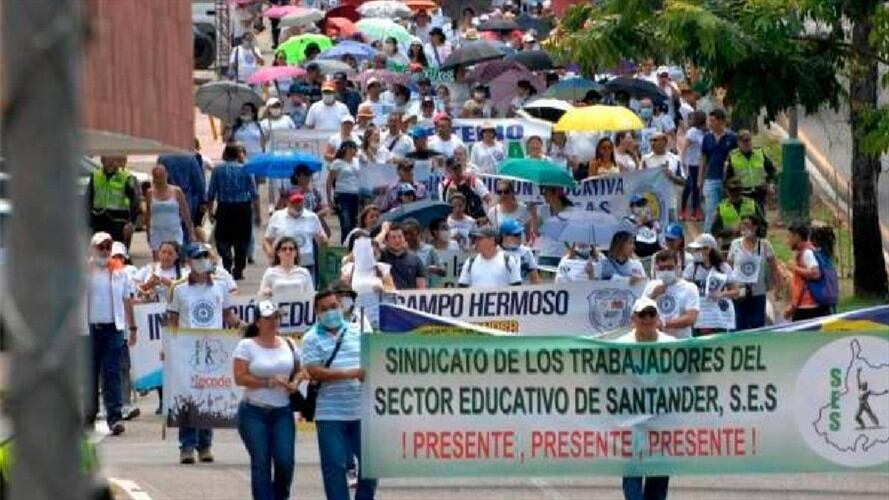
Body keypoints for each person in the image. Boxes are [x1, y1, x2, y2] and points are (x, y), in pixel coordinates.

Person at [167, 243, 241, 464]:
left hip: (214, 347)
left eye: (204, 257)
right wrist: (169, 348)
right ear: (188, 262)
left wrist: (247, 329)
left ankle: (205, 444)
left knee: (209, 395)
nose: (202, 261)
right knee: (189, 397)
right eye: (197, 257)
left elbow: (229, 316)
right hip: (188, 349)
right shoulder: (178, 288)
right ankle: (187, 446)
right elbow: (172, 321)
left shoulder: (220, 286)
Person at [301, 289, 377, 500]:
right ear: (317, 313)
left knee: (371, 466)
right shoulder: (311, 338)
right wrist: (349, 373)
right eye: (324, 309)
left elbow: (374, 359)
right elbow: (314, 371)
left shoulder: (358, 331)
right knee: (335, 466)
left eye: (333, 307)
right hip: (330, 414)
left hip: (362, 411)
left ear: (341, 307)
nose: (330, 312)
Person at [233, 300, 301, 500]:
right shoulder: (247, 346)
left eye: (276, 318)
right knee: (261, 461)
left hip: (282, 411)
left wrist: (295, 383)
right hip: (254, 412)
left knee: (285, 461)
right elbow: (240, 377)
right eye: (267, 318)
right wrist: (268, 382)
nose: (273, 322)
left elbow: (299, 371)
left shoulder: (289, 343)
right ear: (257, 322)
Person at [614, 297, 672, 500]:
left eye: (651, 314)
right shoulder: (620, 346)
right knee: (632, 475)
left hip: (662, 421)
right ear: (633, 318)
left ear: (658, 318)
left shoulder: (672, 345)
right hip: (631, 421)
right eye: (642, 314)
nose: (647, 318)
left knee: (658, 481)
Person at [85, 232, 138, 436]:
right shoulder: (83, 271)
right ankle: (89, 414)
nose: (105, 251)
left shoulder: (119, 273)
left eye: (108, 247)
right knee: (90, 374)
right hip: (89, 329)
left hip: (112, 328)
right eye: (101, 247)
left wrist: (132, 327)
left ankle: (114, 417)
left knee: (112, 373)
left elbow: (127, 300)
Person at [207, 142, 261, 280]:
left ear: (224, 155)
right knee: (242, 240)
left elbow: (211, 193)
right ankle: (239, 268)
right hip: (243, 209)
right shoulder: (246, 169)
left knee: (223, 239)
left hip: (224, 208)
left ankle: (227, 261)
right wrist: (258, 213)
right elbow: (254, 194)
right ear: (238, 155)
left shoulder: (217, 170)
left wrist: (209, 211)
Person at [727, 215, 779, 330]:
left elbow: (774, 268)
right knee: (739, 323)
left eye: (747, 225)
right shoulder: (735, 244)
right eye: (742, 225)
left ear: (755, 227)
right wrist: (728, 289)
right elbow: (729, 268)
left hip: (758, 291)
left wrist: (777, 289)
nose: (744, 228)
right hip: (739, 291)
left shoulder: (765, 245)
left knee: (757, 324)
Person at [265, 193, 328, 281]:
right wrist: (271, 253)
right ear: (287, 203)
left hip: (306, 263)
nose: (297, 205)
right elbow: (267, 240)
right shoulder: (277, 216)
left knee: (307, 292)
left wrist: (323, 240)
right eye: (294, 202)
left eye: (300, 202)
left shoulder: (312, 217)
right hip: (283, 264)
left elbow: (321, 238)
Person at [684, 233, 738, 335]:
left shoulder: (724, 268)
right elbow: (685, 290)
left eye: (698, 249)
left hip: (719, 317)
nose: (695, 253)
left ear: (708, 250)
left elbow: (736, 292)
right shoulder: (691, 269)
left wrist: (721, 294)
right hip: (700, 315)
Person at [87, 156, 141, 250]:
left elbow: (135, 201)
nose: (110, 161)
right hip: (98, 219)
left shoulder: (126, 177)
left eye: (112, 157)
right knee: (99, 251)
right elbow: (89, 199)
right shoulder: (96, 175)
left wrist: (131, 223)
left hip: (118, 221)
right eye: (107, 157)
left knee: (118, 251)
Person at [643, 249, 700, 339]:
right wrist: (652, 296)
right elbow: (639, 313)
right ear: (657, 268)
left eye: (670, 268)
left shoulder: (689, 287)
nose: (666, 271)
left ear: (677, 267)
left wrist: (664, 324)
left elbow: (691, 318)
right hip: (655, 342)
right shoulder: (651, 286)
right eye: (662, 268)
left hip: (680, 342)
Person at [700, 108, 738, 231]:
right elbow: (703, 158)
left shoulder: (732, 138)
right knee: (711, 212)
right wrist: (700, 180)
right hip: (711, 178)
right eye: (709, 121)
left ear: (721, 121)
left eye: (713, 121)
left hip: (728, 181)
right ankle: (708, 240)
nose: (710, 123)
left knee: (728, 212)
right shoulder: (707, 138)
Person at [146, 165, 196, 256]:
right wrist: (148, 233)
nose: (159, 180)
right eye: (156, 177)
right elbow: (148, 215)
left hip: (173, 231)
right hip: (156, 232)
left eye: (161, 176)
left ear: (166, 175)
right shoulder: (150, 193)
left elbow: (185, 212)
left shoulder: (176, 191)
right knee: (158, 261)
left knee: (175, 258)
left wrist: (191, 231)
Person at [785, 223, 831, 321]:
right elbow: (801, 284)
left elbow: (816, 273)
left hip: (809, 308)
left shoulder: (807, 253)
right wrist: (793, 306)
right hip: (805, 305)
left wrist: (794, 268)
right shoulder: (805, 252)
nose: (787, 241)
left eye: (789, 237)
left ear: (797, 237)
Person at [157, 154, 207, 240]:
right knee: (186, 229)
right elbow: (199, 183)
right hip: (187, 200)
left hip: (167, 199)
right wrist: (203, 201)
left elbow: (158, 180)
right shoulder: (191, 159)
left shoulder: (162, 158)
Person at [260, 97, 298, 212]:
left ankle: (287, 202)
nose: (276, 109)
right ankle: (272, 203)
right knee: (273, 180)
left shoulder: (287, 119)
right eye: (273, 107)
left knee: (287, 179)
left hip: (287, 153)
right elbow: (262, 140)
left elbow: (294, 133)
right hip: (272, 153)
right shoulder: (264, 123)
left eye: (277, 106)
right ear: (269, 109)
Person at [725, 129, 777, 211]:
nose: (748, 143)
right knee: (745, 220)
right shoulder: (732, 156)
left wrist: (770, 183)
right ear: (738, 143)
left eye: (749, 140)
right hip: (742, 194)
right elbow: (727, 177)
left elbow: (771, 170)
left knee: (759, 218)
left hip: (758, 193)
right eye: (745, 141)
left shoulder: (759, 153)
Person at [458, 227, 522, 288]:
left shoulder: (508, 260)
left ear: (492, 240)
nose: (476, 242)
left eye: (480, 239)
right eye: (475, 239)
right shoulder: (470, 261)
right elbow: (462, 286)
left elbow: (517, 288)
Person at [711, 177, 764, 250]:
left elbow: (763, 226)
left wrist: (752, 230)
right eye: (732, 191)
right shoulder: (721, 208)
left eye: (737, 190)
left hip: (751, 246)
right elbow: (715, 231)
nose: (735, 193)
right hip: (729, 247)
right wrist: (731, 230)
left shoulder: (752, 204)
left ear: (741, 190)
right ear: (727, 191)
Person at [327, 140, 362, 242]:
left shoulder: (357, 161)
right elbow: (329, 181)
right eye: (351, 148)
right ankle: (346, 246)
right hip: (343, 195)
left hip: (356, 195)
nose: (353, 150)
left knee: (356, 223)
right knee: (346, 223)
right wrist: (329, 199)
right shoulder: (337, 163)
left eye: (354, 148)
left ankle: (355, 248)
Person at [377, 222, 428, 290]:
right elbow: (371, 248)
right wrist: (383, 232)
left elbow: (422, 288)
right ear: (386, 241)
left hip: (408, 299)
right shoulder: (380, 256)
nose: (397, 240)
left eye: (400, 237)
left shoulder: (415, 259)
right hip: (386, 298)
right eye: (393, 237)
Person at [440, 153, 491, 220]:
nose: (458, 171)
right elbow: (443, 206)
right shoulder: (443, 185)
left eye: (459, 167)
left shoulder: (474, 181)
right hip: (453, 221)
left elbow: (489, 200)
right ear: (448, 170)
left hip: (474, 219)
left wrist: (487, 218)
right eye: (455, 168)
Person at [680, 110, 706, 221]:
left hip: (701, 164)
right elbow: (685, 148)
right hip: (692, 164)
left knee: (692, 186)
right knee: (694, 187)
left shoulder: (704, 132)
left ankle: (691, 209)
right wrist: (682, 162)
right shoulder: (692, 132)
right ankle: (692, 211)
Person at [499, 220, 542, 284]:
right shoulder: (495, 252)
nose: (519, 237)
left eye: (520, 234)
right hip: (501, 291)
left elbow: (535, 278)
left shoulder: (526, 252)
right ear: (504, 236)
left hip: (522, 291)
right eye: (516, 234)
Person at [625, 194, 662, 259]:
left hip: (655, 254)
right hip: (640, 256)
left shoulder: (651, 220)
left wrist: (653, 223)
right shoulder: (627, 220)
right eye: (639, 204)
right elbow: (628, 235)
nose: (642, 207)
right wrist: (641, 222)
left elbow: (659, 232)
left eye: (643, 204)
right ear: (632, 207)